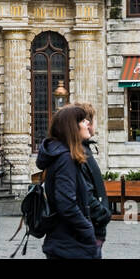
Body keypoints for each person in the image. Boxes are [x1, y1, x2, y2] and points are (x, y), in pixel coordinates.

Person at [35, 104, 97, 259]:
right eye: (83, 121)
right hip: (69, 244)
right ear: (72, 127)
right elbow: (66, 203)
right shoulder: (65, 158)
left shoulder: (62, 154)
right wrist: (88, 230)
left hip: (64, 242)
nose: (87, 124)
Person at [76, 102, 111, 252]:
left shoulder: (85, 149)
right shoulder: (78, 153)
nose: (90, 124)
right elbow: (84, 193)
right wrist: (103, 215)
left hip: (92, 230)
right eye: (87, 121)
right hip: (87, 233)